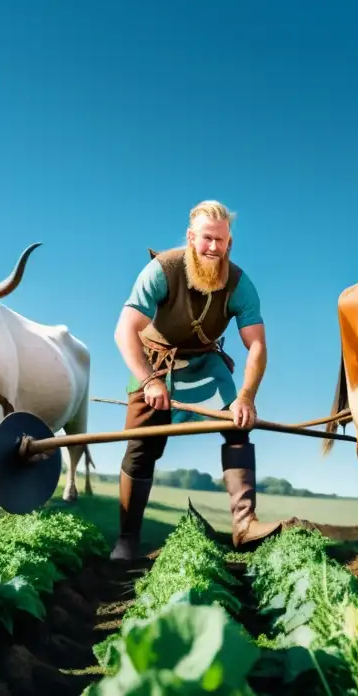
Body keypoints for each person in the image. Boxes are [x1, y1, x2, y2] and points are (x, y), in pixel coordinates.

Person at [109, 199, 289, 560]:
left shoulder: (240, 284)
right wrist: (148, 381)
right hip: (155, 365)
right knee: (141, 445)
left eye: (220, 241)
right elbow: (124, 330)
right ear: (191, 238)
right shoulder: (162, 270)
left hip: (206, 363)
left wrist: (247, 398)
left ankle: (244, 524)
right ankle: (128, 540)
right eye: (207, 238)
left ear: (229, 243)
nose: (213, 247)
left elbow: (257, 346)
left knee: (238, 424)